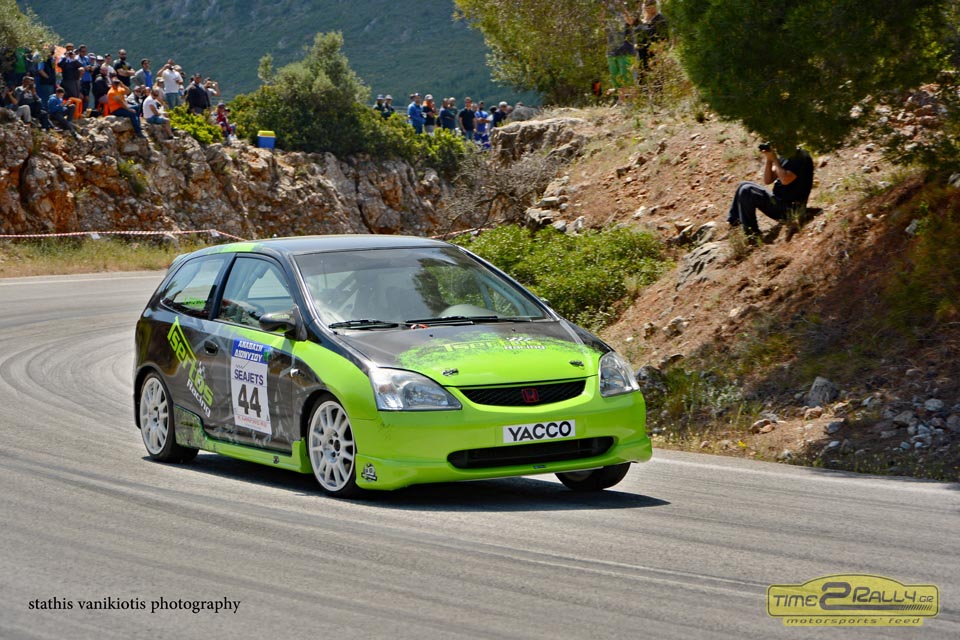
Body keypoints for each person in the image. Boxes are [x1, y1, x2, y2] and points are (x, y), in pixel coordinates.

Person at [727, 145, 815, 239]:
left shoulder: (800, 157)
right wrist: (769, 159)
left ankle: (752, 235)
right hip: (779, 202)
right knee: (743, 185)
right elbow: (768, 180)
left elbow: (785, 179)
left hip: (791, 208)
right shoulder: (786, 155)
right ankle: (733, 224)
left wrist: (775, 160)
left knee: (747, 190)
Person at [604, 1, 640, 88]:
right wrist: (603, 6)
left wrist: (621, 6)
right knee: (616, 82)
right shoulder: (608, 6)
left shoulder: (629, 4)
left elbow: (631, 21)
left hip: (626, 50)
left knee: (628, 81)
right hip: (612, 50)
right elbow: (600, 22)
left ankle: (631, 97)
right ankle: (621, 96)